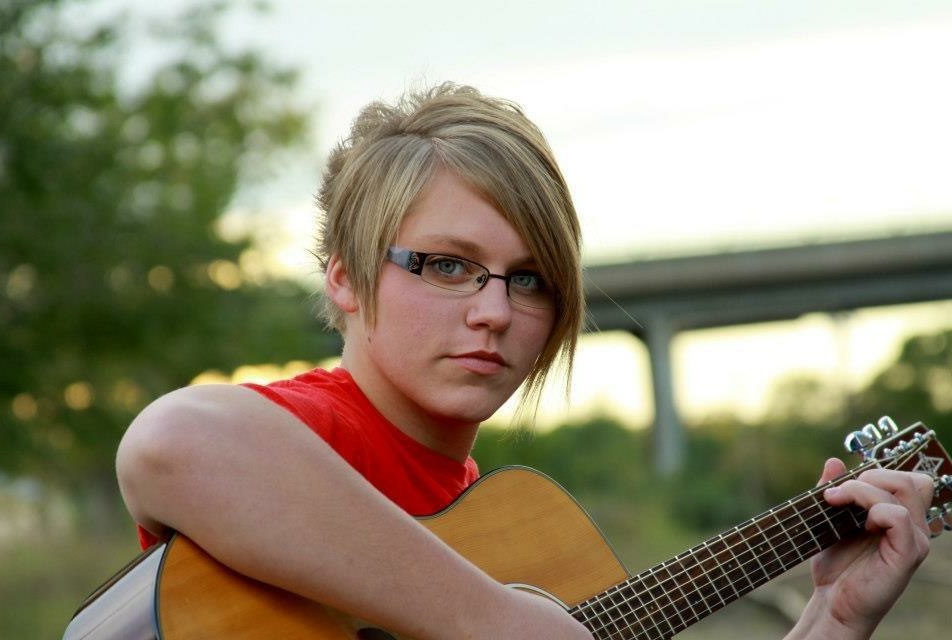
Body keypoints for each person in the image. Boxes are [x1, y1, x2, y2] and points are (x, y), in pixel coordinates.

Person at [116, 83, 934, 639]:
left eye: (531, 279)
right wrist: (498, 623)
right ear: (345, 277)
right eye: (448, 265)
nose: (496, 312)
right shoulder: (313, 439)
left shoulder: (509, 534)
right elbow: (171, 442)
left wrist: (832, 620)